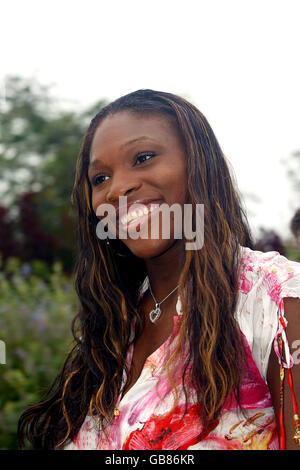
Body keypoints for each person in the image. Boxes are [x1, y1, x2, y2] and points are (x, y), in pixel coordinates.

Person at [18, 89, 300, 450]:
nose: (118, 188)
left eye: (143, 157)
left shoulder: (275, 298)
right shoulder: (113, 323)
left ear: (199, 163)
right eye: (100, 178)